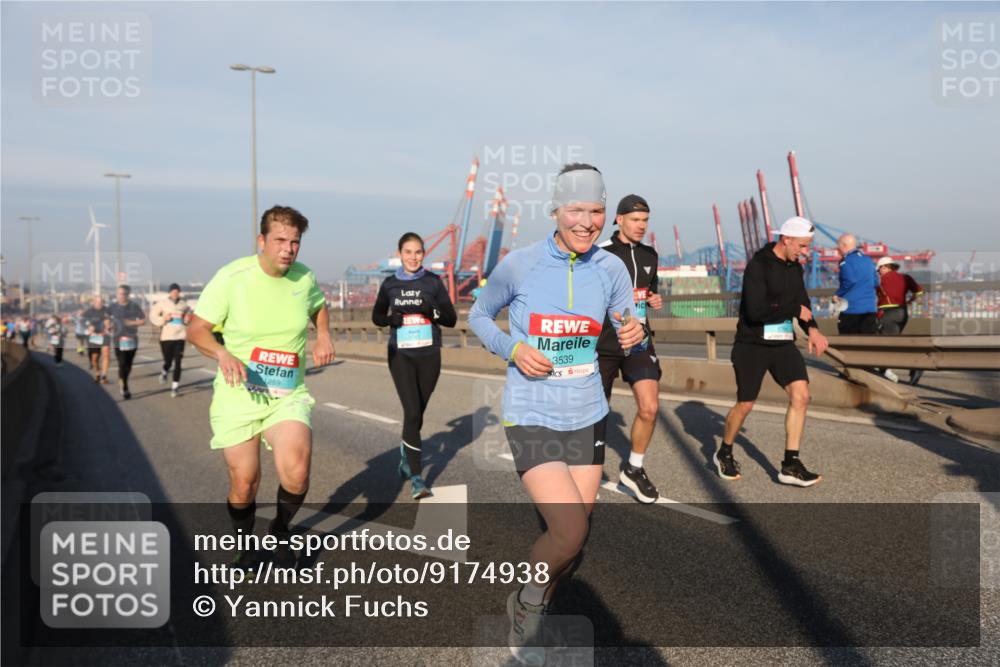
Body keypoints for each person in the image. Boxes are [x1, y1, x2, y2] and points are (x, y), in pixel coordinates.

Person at [469, 164, 644, 665]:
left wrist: (636, 335)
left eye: (595, 211)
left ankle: (540, 597)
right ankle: (526, 607)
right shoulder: (520, 265)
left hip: (587, 411)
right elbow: (479, 316)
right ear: (555, 210)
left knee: (575, 531)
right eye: (576, 211)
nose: (587, 222)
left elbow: (629, 324)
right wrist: (512, 348)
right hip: (532, 411)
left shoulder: (611, 268)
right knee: (570, 533)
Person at [187, 205, 334, 567]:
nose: (288, 249)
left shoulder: (305, 278)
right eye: (280, 240)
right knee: (244, 483)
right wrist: (222, 355)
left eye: (295, 242)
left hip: (287, 395)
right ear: (262, 240)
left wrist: (324, 336)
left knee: (297, 472)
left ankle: (282, 533)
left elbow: (319, 307)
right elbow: (196, 329)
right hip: (239, 394)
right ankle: (244, 543)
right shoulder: (232, 277)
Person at [716, 216, 830, 488]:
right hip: (752, 344)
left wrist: (812, 328)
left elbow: (802, 301)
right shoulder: (759, 266)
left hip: (782, 344)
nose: (805, 252)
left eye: (807, 247)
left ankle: (790, 464)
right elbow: (755, 312)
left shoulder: (795, 268)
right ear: (786, 239)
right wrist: (793, 310)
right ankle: (725, 450)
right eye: (802, 246)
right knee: (745, 404)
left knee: (801, 396)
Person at [371, 232, 458, 499]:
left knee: (418, 414)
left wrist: (431, 312)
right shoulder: (389, 284)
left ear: (423, 254)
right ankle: (418, 478)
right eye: (408, 252)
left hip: (429, 354)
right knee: (411, 413)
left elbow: (451, 319)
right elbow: (376, 316)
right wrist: (390, 320)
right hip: (401, 356)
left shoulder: (433, 282)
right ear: (400, 254)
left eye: (418, 252)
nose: (413, 257)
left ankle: (406, 452)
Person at [595, 194, 664, 504]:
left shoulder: (651, 255)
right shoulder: (600, 254)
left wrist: (653, 298)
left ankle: (633, 469)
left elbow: (650, 289)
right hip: (603, 345)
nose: (641, 226)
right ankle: (585, 468)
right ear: (619, 219)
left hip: (639, 342)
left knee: (649, 408)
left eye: (645, 220)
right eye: (635, 220)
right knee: (595, 414)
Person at [877, 257, 925, 385]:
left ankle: (914, 365)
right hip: (902, 312)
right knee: (893, 341)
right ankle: (885, 369)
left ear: (884, 267)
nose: (878, 272)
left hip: (887, 313)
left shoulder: (880, 279)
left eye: (879, 269)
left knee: (887, 343)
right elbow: (919, 291)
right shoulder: (905, 277)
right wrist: (909, 301)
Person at [150, 283, 192, 397]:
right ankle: (164, 372)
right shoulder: (162, 304)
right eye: (173, 291)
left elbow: (189, 314)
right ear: (169, 292)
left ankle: (175, 387)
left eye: (177, 291)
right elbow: (153, 317)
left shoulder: (184, 305)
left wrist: (188, 318)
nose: (175, 293)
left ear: (179, 292)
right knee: (168, 361)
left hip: (180, 336)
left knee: (178, 362)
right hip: (167, 337)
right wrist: (164, 318)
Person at [833, 233, 879, 334]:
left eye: (838, 246)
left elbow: (849, 281)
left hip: (851, 310)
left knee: (848, 343)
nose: (837, 249)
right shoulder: (868, 260)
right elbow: (876, 282)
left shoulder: (845, 261)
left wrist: (838, 294)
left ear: (844, 246)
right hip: (870, 310)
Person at [108, 285, 146, 400]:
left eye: (124, 294)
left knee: (128, 364)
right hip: (118, 338)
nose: (121, 296)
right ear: (117, 294)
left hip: (132, 338)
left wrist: (132, 323)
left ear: (128, 294)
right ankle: (124, 386)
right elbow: (106, 318)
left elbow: (143, 320)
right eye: (119, 293)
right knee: (122, 362)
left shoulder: (134, 306)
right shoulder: (112, 307)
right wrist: (108, 325)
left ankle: (123, 379)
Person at [82, 295, 111, 383]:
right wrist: (89, 326)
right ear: (94, 302)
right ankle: (97, 372)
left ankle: (104, 376)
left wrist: (110, 325)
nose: (100, 304)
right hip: (94, 336)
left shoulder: (108, 310)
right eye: (98, 302)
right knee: (94, 359)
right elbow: (82, 321)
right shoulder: (89, 311)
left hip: (105, 335)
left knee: (106, 354)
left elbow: (113, 320)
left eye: (101, 302)